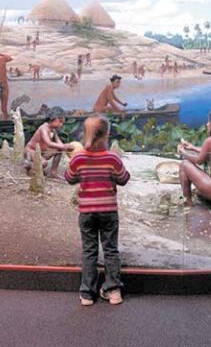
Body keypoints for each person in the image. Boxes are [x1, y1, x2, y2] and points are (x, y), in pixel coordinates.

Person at [65, 115, 130, 306]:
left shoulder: (78, 158)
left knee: (89, 250)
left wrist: (76, 163)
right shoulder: (112, 158)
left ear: (84, 134)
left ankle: (87, 293)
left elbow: (69, 177)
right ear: (106, 135)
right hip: (108, 211)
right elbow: (124, 178)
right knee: (110, 250)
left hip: (86, 212)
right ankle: (113, 290)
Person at [24, 107, 73, 178]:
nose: (61, 124)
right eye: (60, 121)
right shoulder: (43, 129)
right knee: (43, 163)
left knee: (59, 150)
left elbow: (59, 142)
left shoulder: (52, 130)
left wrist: (65, 146)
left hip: (41, 152)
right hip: (31, 151)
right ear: (53, 119)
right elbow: (48, 143)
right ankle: (28, 165)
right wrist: (63, 146)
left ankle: (53, 172)